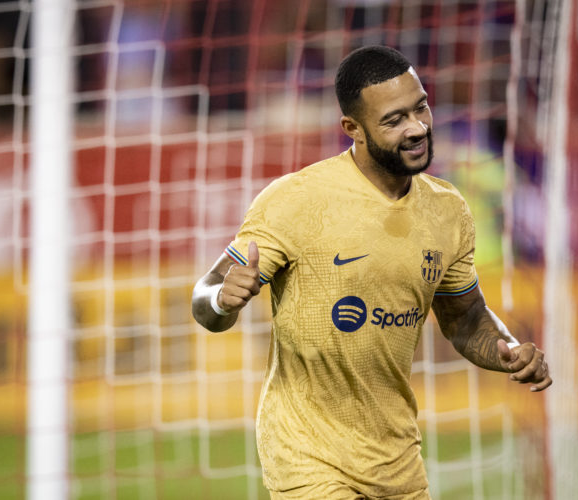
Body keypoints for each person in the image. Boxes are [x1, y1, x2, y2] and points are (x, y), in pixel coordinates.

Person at [191, 45, 552, 500]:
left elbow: (464, 318)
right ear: (353, 129)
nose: (417, 128)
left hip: (395, 460)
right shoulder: (295, 200)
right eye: (394, 120)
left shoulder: (448, 211)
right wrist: (222, 301)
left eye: (420, 107)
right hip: (308, 458)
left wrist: (509, 350)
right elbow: (204, 295)